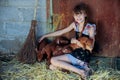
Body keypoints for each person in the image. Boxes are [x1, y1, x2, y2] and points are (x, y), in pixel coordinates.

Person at [39, 3, 96, 79]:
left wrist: (76, 42)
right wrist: (45, 35)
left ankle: (81, 72)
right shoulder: (75, 24)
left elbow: (91, 47)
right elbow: (61, 32)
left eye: (80, 14)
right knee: (52, 66)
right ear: (73, 16)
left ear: (85, 14)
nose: (78, 17)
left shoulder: (90, 27)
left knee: (53, 60)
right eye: (76, 15)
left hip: (83, 55)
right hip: (75, 53)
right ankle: (83, 69)